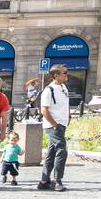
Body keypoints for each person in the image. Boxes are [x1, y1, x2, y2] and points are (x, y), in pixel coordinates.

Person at [37, 64, 71, 192]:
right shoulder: (48, 90)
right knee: (62, 150)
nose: (66, 74)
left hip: (61, 124)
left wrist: (68, 116)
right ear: (56, 75)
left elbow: (64, 104)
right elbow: (44, 110)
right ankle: (58, 180)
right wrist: (54, 124)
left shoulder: (63, 87)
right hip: (53, 125)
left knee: (52, 152)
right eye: (64, 72)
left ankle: (44, 180)